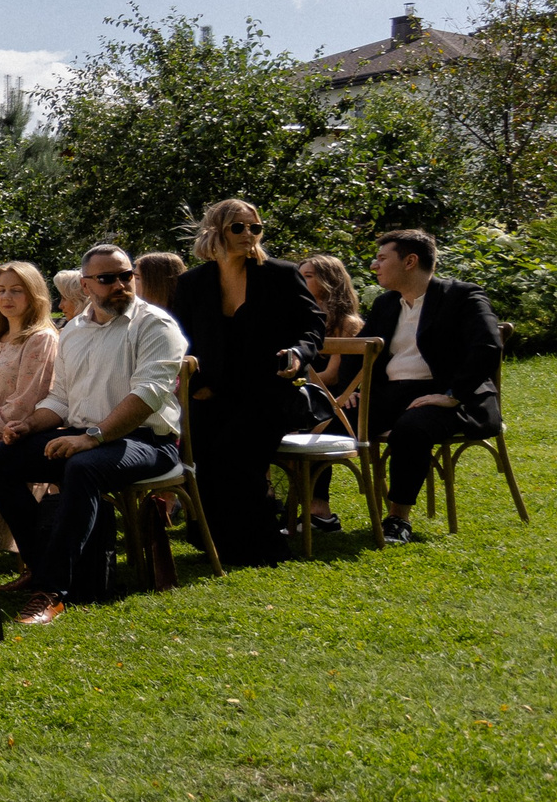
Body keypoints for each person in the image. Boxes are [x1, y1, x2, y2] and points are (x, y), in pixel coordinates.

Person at [0, 245, 188, 626]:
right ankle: (40, 566)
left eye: (127, 276)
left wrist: (92, 436)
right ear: (87, 285)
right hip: (87, 433)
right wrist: (31, 425)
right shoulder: (73, 330)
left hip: (148, 441)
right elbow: (59, 398)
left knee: (82, 467)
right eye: (108, 279)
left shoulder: (155, 324)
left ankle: (52, 591)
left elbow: (147, 395)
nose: (121, 285)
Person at [167, 200, 325, 569]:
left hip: (269, 390)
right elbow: (179, 340)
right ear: (216, 231)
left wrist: (300, 353)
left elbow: (313, 323)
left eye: (255, 228)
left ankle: (263, 546)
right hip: (213, 391)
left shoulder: (280, 275)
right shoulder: (193, 283)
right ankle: (217, 542)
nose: (249, 235)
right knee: (204, 451)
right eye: (239, 228)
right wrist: (197, 385)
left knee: (235, 451)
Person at [364, 228, 505, 544]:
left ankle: (397, 520)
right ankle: (319, 512)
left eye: (382, 258)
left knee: (411, 429)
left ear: (410, 261)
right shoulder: (386, 304)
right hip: (391, 393)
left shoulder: (463, 296)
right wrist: (351, 392)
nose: (374, 265)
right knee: (324, 418)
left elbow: (486, 347)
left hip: (449, 396)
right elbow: (362, 353)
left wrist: (453, 395)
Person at [0, 262, 60, 559]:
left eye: (16, 290)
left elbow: (26, 402)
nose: (7, 297)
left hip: (15, 432)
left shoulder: (40, 339)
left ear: (33, 295)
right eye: (1, 290)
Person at [297, 252, 367, 532]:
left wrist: (296, 377)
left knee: (313, 426)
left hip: (341, 399)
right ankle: (277, 503)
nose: (301, 281)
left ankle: (319, 511)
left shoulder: (347, 323)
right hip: (312, 394)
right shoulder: (304, 317)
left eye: (308, 276)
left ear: (329, 281)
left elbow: (333, 374)